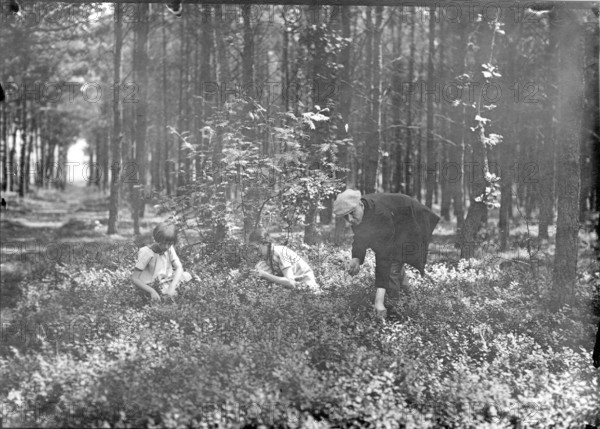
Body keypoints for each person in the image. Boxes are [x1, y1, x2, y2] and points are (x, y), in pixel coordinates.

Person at [333, 189, 440, 318]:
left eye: (352, 213)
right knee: (395, 264)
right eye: (346, 216)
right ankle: (411, 302)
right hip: (397, 222)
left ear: (361, 205)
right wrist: (356, 258)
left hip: (412, 220)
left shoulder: (380, 214)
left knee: (392, 266)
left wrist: (379, 300)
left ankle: (395, 314)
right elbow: (360, 237)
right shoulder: (360, 214)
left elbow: (384, 255)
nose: (349, 219)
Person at [131, 222, 191, 301]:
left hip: (166, 280)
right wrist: (152, 291)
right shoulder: (147, 253)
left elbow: (179, 267)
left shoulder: (169, 248)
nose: (166, 246)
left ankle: (171, 293)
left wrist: (172, 287)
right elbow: (135, 278)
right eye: (163, 243)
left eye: (169, 244)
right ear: (156, 239)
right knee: (169, 293)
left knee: (187, 275)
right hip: (150, 284)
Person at [248, 228, 320, 293]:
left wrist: (264, 274)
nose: (255, 252)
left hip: (308, 289)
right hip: (297, 289)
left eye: (256, 248)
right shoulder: (268, 255)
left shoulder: (280, 252)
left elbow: (290, 282)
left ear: (264, 243)